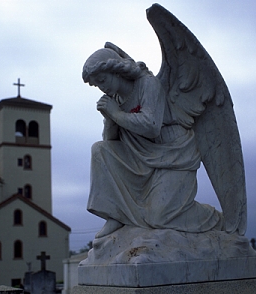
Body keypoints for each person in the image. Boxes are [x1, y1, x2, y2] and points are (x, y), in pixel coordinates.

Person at [83, 46, 224, 238]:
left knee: (159, 216)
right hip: (139, 156)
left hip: (173, 155)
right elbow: (110, 142)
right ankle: (115, 215)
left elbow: (151, 126)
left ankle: (216, 220)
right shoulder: (114, 98)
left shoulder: (148, 84)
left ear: (116, 71)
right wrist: (109, 117)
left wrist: (116, 113)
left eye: (102, 80)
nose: (101, 87)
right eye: (96, 85)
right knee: (100, 150)